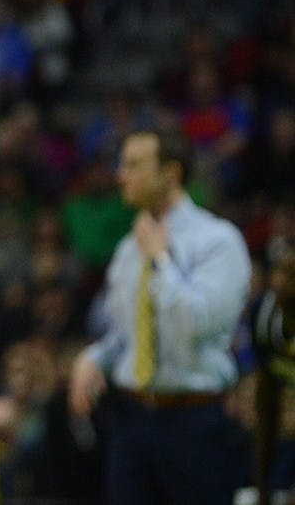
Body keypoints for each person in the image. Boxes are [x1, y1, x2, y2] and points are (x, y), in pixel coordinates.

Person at [68, 127, 252, 505]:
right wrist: (91, 359)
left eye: (134, 165)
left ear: (171, 174)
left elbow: (195, 325)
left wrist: (161, 260)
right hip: (131, 417)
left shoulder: (219, 241)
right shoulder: (127, 249)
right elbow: (125, 336)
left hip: (194, 418)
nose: (121, 174)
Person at [252, 241, 295, 505]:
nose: (283, 281)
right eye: (279, 271)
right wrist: (262, 488)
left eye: (291, 274)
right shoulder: (264, 315)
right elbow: (265, 403)